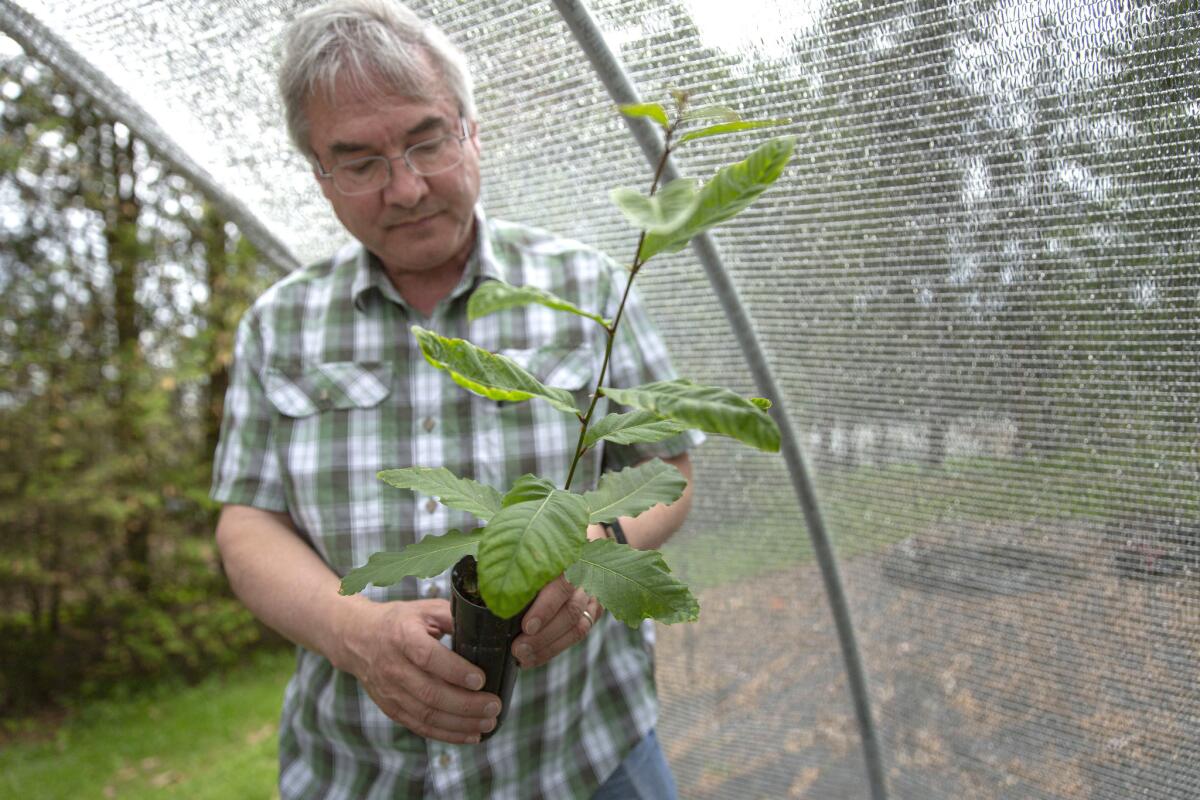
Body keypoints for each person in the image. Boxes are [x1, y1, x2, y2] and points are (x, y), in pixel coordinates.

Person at [210, 1, 701, 797]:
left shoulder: (587, 288)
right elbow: (247, 520)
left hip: (584, 756)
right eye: (360, 162)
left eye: (426, 140)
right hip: (359, 771)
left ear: (473, 132)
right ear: (320, 177)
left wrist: (594, 549)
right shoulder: (280, 326)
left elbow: (666, 468)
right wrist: (351, 631)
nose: (404, 189)